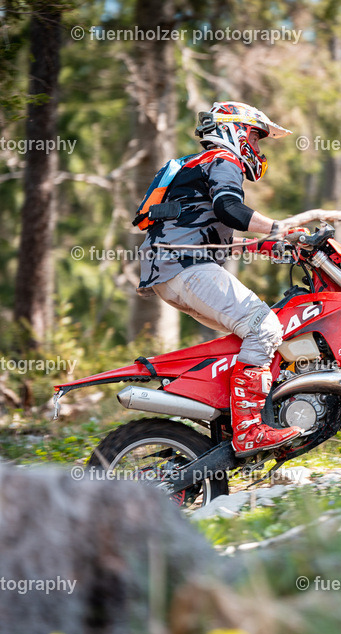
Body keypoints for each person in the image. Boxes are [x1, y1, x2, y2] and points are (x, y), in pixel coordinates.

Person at [134, 101, 302, 457]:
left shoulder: (195, 167)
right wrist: (280, 228)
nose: (257, 149)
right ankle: (249, 431)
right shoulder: (223, 161)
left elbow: (202, 227)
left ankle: (231, 420)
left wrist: (267, 245)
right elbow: (230, 209)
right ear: (235, 131)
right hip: (187, 269)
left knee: (244, 338)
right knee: (265, 328)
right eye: (256, 138)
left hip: (171, 273)